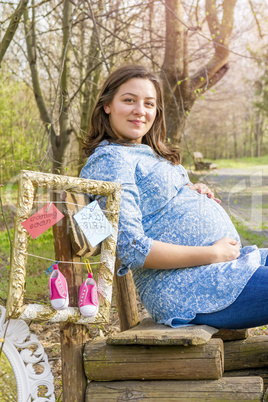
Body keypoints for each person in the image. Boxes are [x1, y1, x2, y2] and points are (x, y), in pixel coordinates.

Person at [80, 65, 268, 329]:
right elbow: (132, 249)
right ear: (107, 105)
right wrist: (212, 253)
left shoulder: (140, 151)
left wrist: (191, 192)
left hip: (222, 269)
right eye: (129, 100)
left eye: (149, 103)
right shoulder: (111, 160)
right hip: (188, 285)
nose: (140, 110)